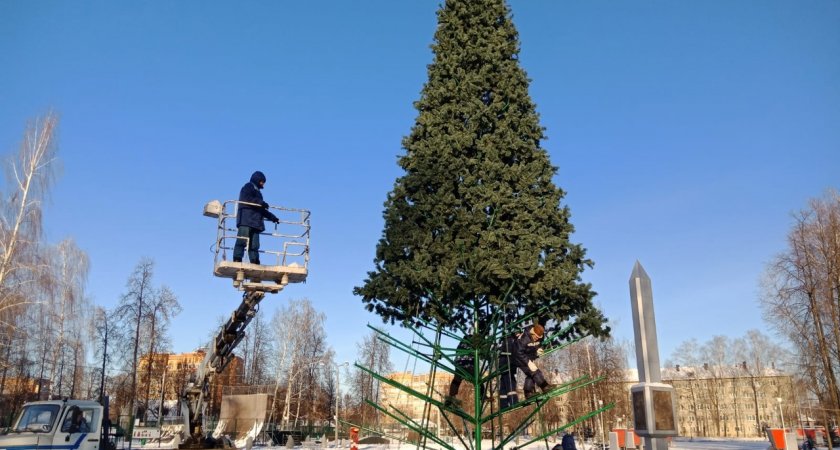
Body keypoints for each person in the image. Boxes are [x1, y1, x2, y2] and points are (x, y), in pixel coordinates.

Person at [498, 323, 553, 409]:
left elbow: (538, 344)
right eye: (536, 337)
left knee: (530, 374)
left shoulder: (539, 337)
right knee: (534, 371)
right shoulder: (524, 339)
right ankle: (544, 386)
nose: (537, 339)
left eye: (539, 337)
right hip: (518, 357)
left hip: (528, 355)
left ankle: (528, 392)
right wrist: (528, 363)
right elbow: (518, 353)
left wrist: (539, 349)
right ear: (532, 333)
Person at [233, 171, 279, 264]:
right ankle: (237, 258)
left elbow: (261, 210)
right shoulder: (248, 187)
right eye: (262, 181)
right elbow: (246, 199)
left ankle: (254, 260)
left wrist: (273, 217)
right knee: (242, 240)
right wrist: (261, 203)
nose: (263, 184)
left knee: (254, 245)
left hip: (256, 222)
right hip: (246, 219)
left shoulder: (259, 194)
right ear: (258, 180)